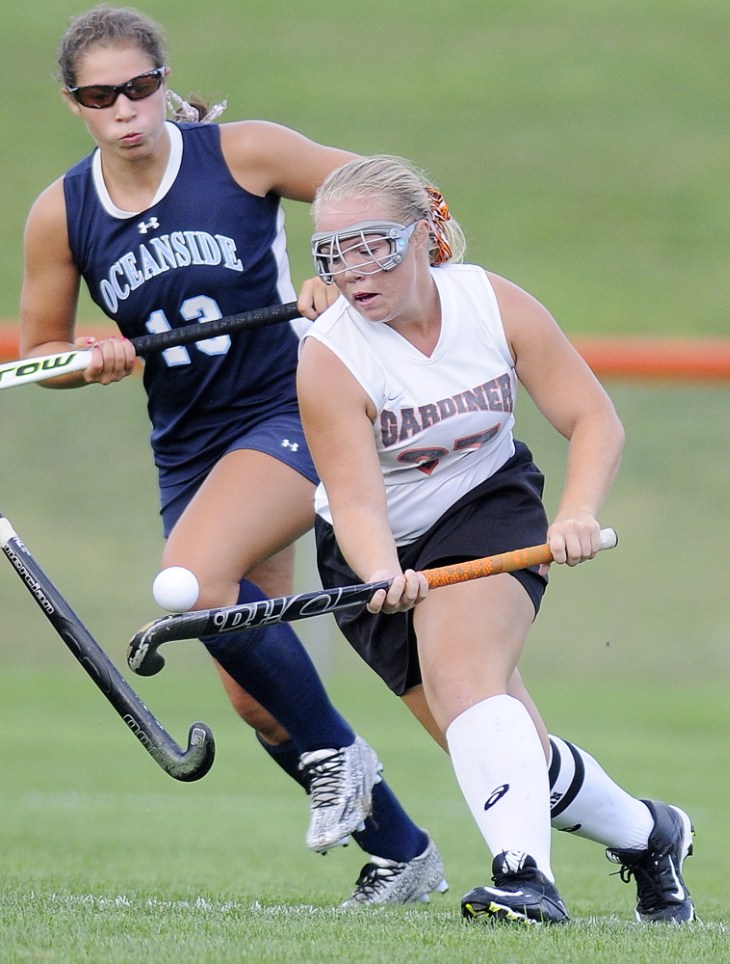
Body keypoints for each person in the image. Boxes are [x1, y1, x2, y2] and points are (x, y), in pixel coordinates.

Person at [18, 4, 448, 907]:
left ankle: (338, 754)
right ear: (75, 104)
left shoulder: (242, 153)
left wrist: (339, 266)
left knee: (195, 583)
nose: (126, 110)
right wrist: (86, 360)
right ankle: (401, 854)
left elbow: (389, 199)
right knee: (255, 695)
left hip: (292, 410)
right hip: (189, 452)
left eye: (140, 87)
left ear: (164, 82)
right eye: (102, 97)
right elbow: (37, 357)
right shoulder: (60, 214)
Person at [296, 154, 697, 924]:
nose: (351, 271)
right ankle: (651, 835)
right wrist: (382, 572)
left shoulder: (492, 304)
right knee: (505, 756)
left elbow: (592, 419)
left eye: (370, 244)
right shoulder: (330, 359)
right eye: (332, 254)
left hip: (485, 507)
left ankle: (522, 880)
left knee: (463, 681)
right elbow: (354, 502)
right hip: (370, 545)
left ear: (424, 235)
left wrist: (575, 512)